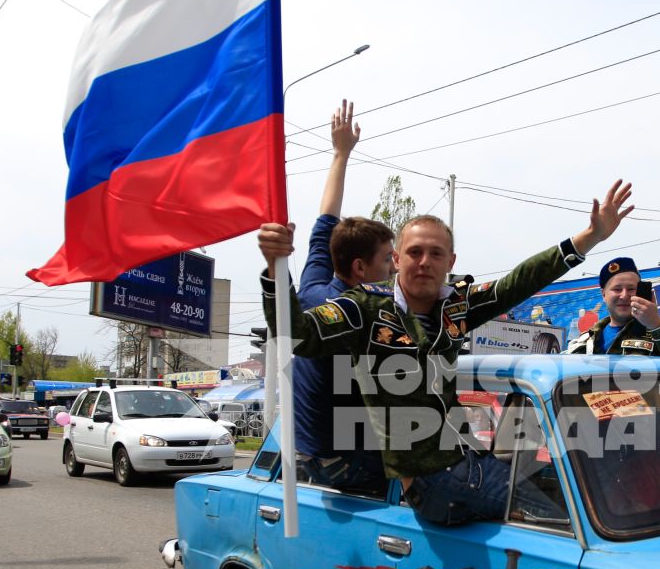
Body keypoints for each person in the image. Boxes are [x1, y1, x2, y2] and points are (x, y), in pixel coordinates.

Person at [260, 181, 635, 525]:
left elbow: (516, 283)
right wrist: (275, 272)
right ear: (396, 260)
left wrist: (589, 238)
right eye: (415, 252)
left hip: (467, 458)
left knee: (586, 485)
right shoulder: (364, 309)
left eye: (436, 253)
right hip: (431, 481)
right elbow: (299, 336)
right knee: (564, 518)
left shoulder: (456, 306)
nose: (424, 261)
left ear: (450, 262)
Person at [292, 101, 394, 493]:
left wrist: (340, 154)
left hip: (310, 450)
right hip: (340, 462)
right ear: (359, 269)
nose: (393, 266)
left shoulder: (312, 286)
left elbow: (325, 220)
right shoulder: (354, 320)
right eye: (387, 260)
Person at [565, 257, 660, 356]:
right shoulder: (586, 340)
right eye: (617, 289)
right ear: (604, 294)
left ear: (640, 292)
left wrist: (656, 325)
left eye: (631, 289)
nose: (624, 295)